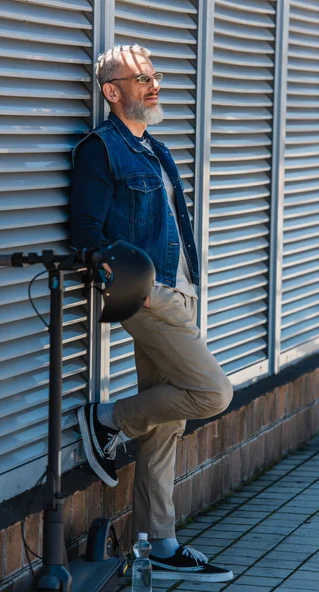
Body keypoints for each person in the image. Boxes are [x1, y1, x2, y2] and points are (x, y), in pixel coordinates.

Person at [70, 44, 234, 582]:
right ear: (111, 91)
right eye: (140, 78)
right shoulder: (102, 149)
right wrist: (133, 286)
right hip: (149, 296)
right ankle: (106, 419)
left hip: (179, 292)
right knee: (214, 392)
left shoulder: (155, 149)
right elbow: (87, 234)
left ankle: (155, 544)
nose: (153, 85)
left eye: (155, 76)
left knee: (168, 425)